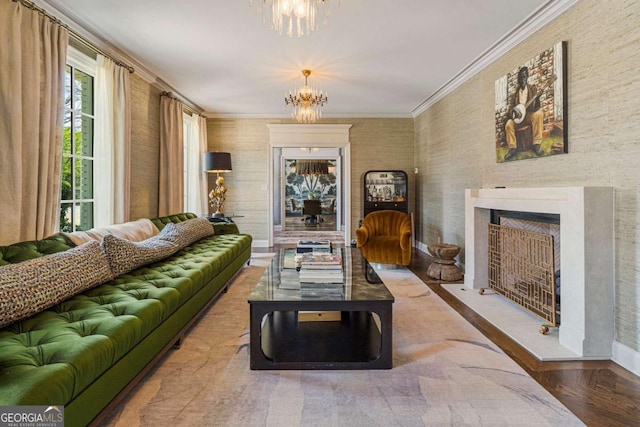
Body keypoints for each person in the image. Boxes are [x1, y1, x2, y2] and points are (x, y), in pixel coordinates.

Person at [503, 66, 544, 161]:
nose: (522, 80)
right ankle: (512, 148)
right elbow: (509, 111)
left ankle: (536, 144)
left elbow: (536, 107)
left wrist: (537, 99)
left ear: (527, 77)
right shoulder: (515, 95)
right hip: (518, 120)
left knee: (539, 113)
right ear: (518, 79)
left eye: (524, 77)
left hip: (528, 115)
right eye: (521, 78)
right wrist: (514, 110)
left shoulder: (532, 89)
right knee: (509, 123)